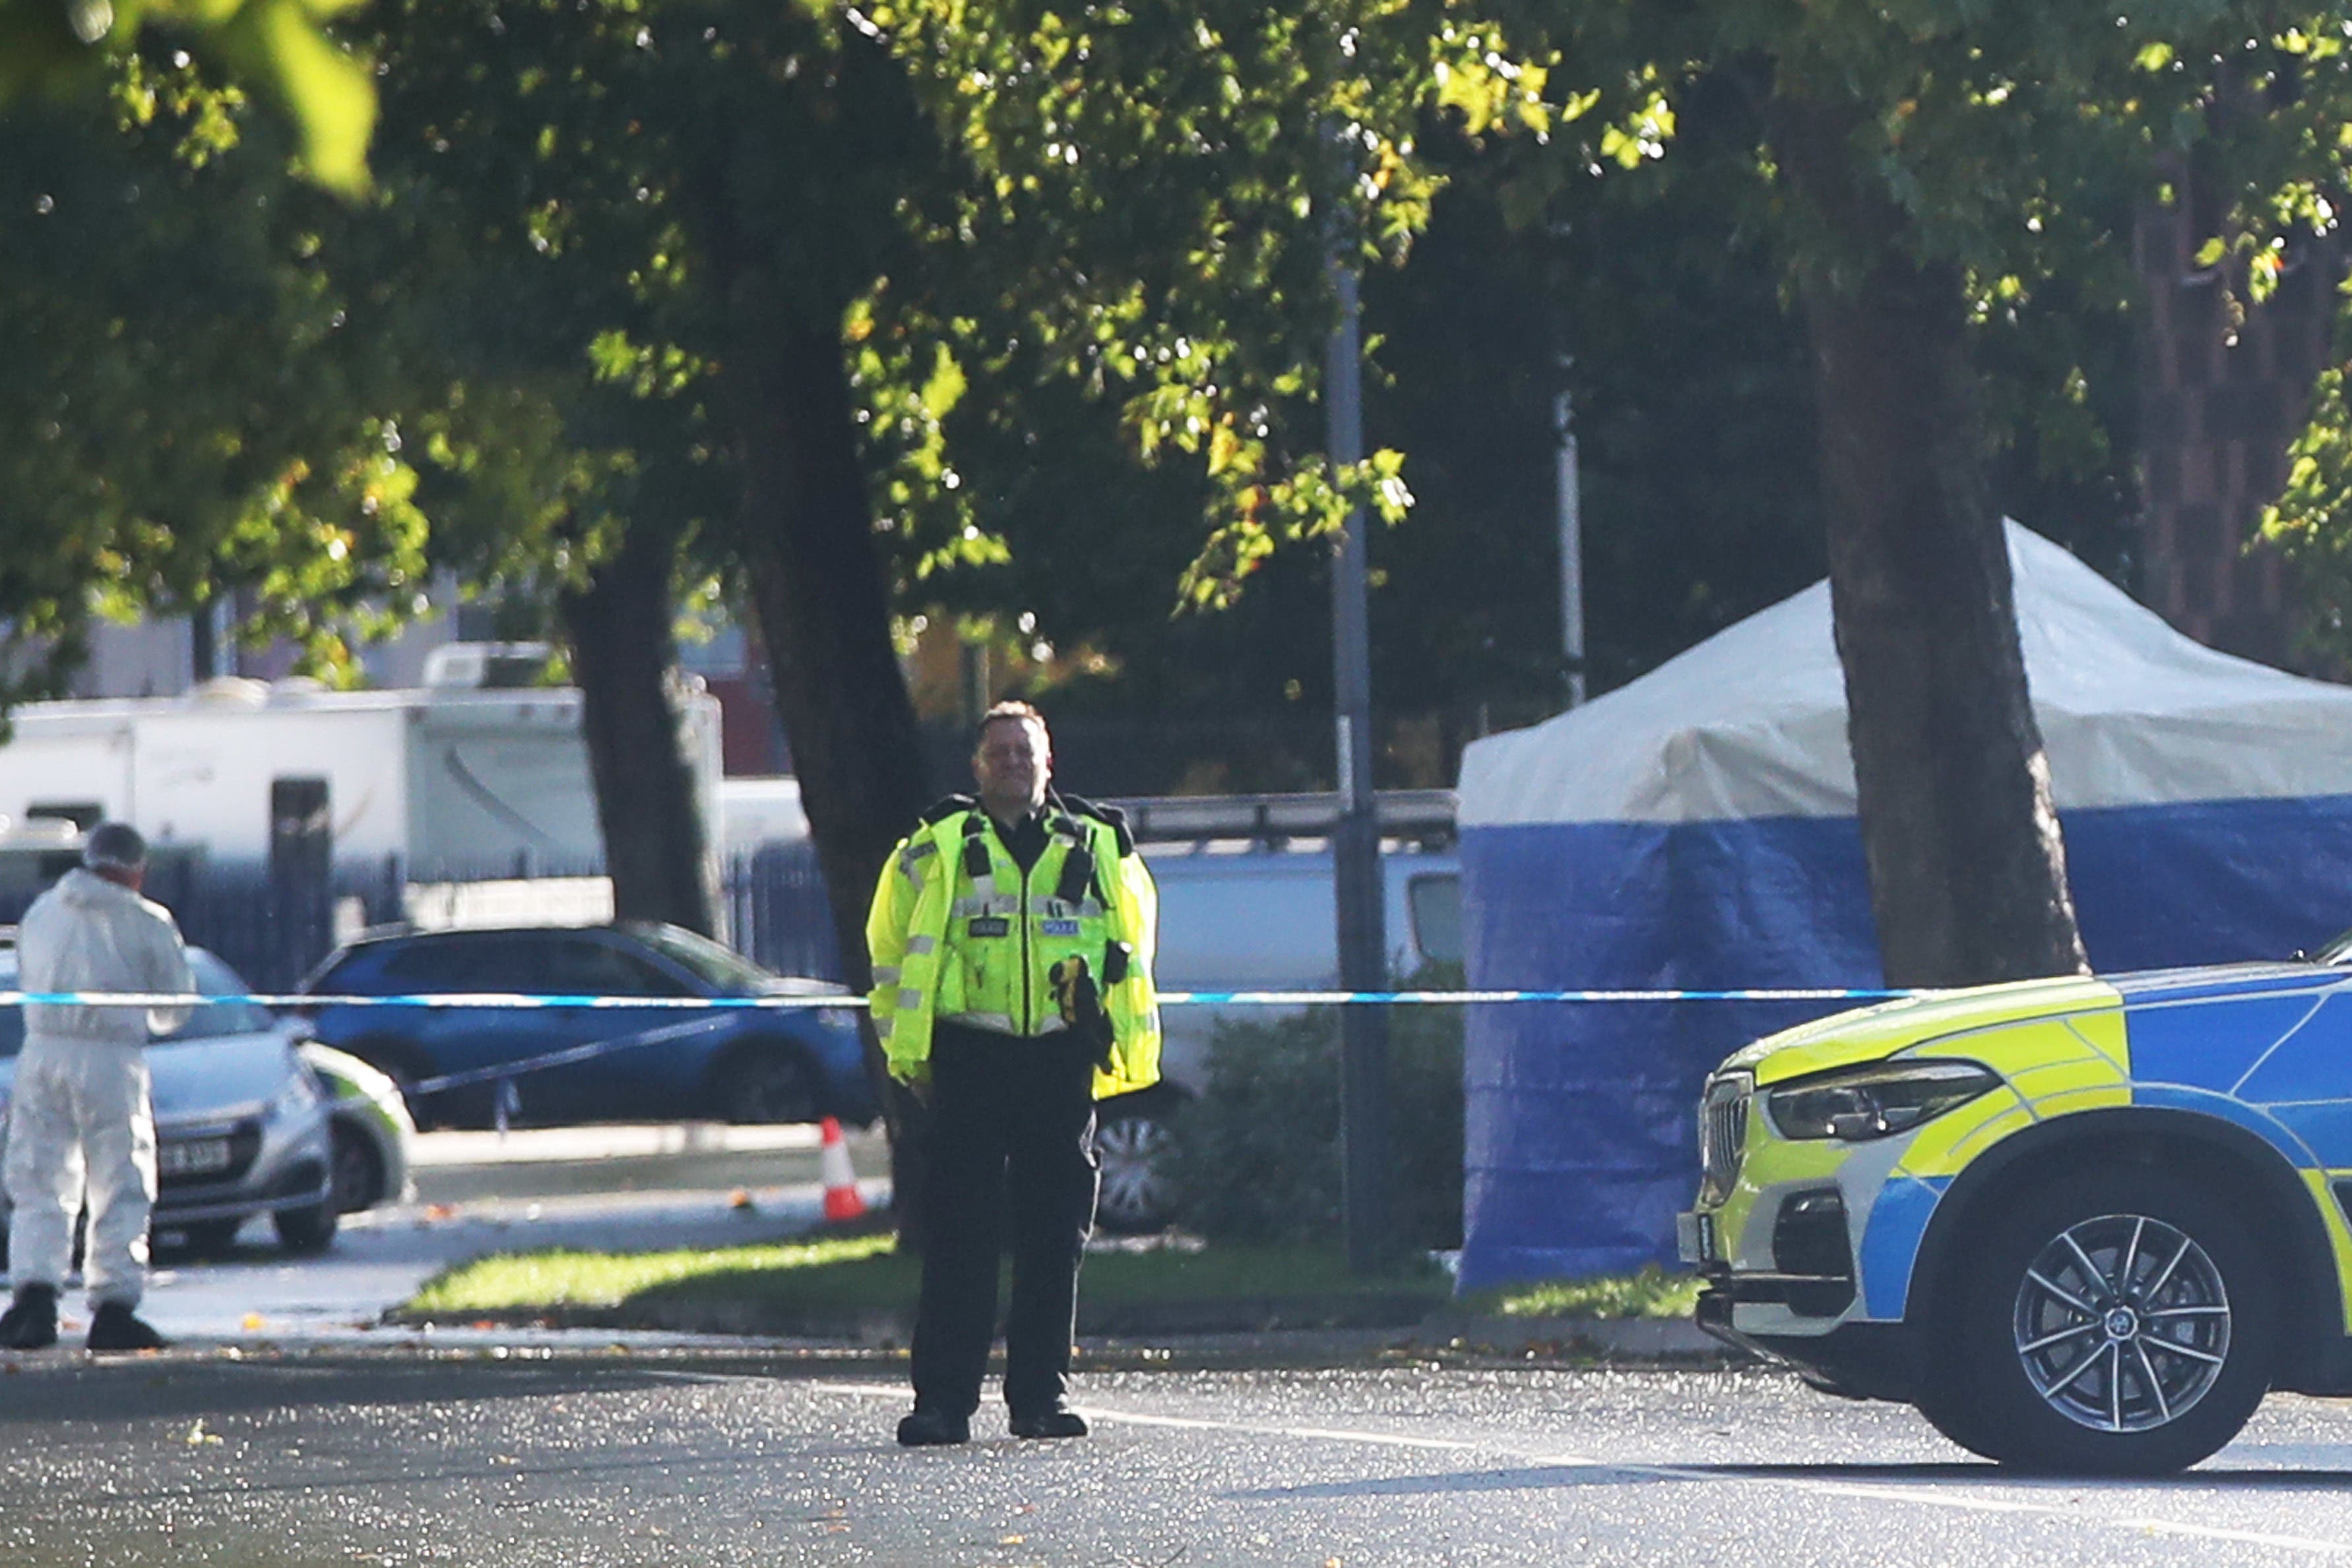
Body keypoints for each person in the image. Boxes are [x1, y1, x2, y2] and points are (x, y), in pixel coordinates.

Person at [868, 701, 1161, 1445]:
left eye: (1025, 752)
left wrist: (1112, 1048)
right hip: (968, 1058)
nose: (1012, 764)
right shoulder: (933, 846)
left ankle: (1040, 1398)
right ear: (976, 766)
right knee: (960, 1234)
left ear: (1048, 761)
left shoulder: (1099, 844)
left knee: (1054, 1234)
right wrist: (910, 1056)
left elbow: (1130, 952)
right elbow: (890, 953)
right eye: (998, 752)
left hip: (1059, 1060)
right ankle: (942, 1403)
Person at [0, 822, 194, 1352]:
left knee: (39, 1176)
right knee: (120, 1178)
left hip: (41, 1052)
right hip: (111, 1057)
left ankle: (34, 1299)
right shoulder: (146, 920)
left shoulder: (43, 912)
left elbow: (24, 974)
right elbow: (174, 1009)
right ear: (136, 868)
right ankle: (113, 1306)